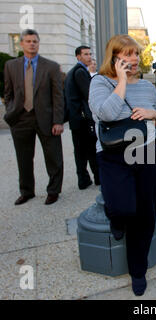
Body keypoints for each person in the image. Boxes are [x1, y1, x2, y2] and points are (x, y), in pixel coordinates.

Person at [88, 34, 156, 296]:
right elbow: (106, 113)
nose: (133, 59)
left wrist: (153, 114)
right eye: (127, 54)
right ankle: (116, 217)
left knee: (145, 214)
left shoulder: (146, 86)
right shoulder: (99, 81)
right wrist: (121, 81)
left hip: (146, 152)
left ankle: (138, 270)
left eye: (135, 54)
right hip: (113, 155)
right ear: (114, 56)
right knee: (122, 207)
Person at [3, 29, 64, 206]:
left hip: (46, 119)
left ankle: (53, 191)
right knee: (23, 158)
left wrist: (58, 121)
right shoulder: (11, 66)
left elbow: (58, 96)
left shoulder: (51, 66)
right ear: (21, 44)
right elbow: (8, 92)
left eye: (35, 41)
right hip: (20, 119)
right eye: (28, 41)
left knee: (53, 157)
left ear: (38, 43)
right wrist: (10, 110)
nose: (32, 44)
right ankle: (27, 191)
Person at [65, 46, 100, 190]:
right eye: (85, 54)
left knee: (79, 150)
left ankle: (84, 179)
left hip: (76, 118)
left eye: (90, 54)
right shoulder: (80, 72)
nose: (89, 57)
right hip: (83, 118)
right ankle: (97, 178)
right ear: (78, 57)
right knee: (91, 149)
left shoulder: (73, 72)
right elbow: (89, 94)